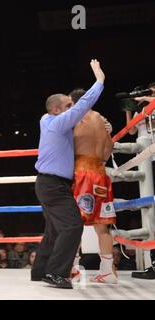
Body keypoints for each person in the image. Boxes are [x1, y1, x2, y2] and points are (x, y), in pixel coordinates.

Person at [31, 59, 105, 289]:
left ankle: (40, 270)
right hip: (53, 185)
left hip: (48, 184)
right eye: (67, 105)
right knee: (72, 226)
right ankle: (55, 273)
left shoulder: (47, 120)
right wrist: (99, 80)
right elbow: (84, 106)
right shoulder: (57, 122)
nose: (72, 108)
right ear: (56, 110)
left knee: (54, 229)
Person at [69, 88, 117, 284]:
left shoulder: (78, 119)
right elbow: (108, 149)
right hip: (100, 174)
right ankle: (107, 272)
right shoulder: (102, 121)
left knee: (73, 224)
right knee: (102, 227)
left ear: (76, 102)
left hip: (82, 173)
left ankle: (72, 268)